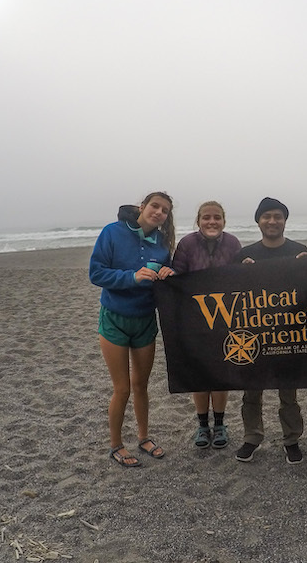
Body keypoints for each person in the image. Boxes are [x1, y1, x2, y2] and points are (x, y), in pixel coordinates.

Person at [89, 192, 177, 468]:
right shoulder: (112, 232)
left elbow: (169, 277)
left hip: (145, 319)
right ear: (142, 207)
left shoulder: (163, 244)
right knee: (123, 387)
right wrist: (132, 276)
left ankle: (143, 437)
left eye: (164, 210)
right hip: (114, 318)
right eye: (155, 206)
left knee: (141, 385)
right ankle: (116, 445)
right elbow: (96, 273)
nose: (159, 212)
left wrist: (169, 274)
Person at [234, 197, 307, 464]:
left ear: (285, 221)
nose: (272, 221)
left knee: (288, 392)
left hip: (289, 333)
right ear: (258, 221)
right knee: (251, 391)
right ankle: (252, 437)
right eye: (267, 216)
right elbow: (232, 297)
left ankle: (292, 439)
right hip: (255, 334)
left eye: (278, 216)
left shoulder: (300, 250)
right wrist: (240, 274)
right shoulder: (245, 254)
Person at [172, 201, 243, 450]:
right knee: (200, 374)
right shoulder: (187, 244)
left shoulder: (233, 243)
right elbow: (177, 276)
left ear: (224, 220)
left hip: (226, 318)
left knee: (220, 374)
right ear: (198, 220)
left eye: (216, 217)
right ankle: (203, 425)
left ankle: (220, 424)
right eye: (206, 218)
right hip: (195, 319)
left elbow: (241, 278)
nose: (211, 222)